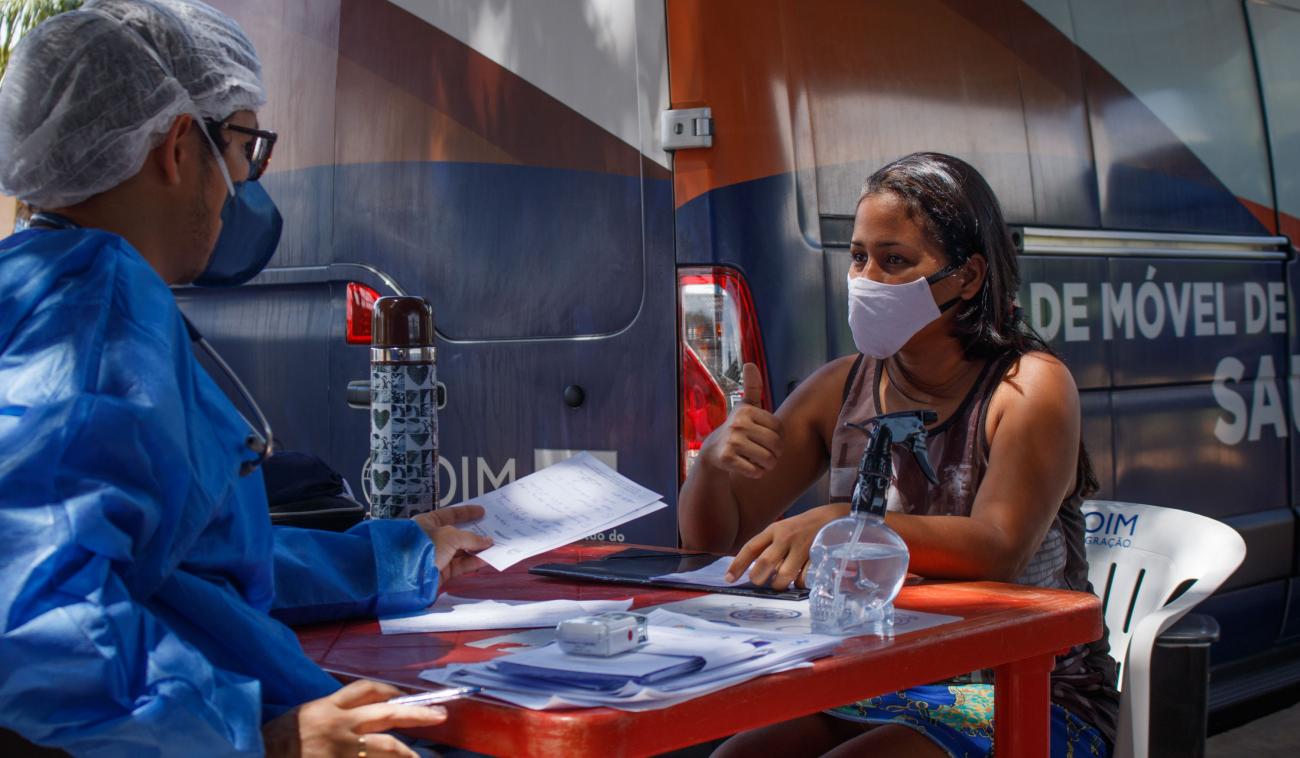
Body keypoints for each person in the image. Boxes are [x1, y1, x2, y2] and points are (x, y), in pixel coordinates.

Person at [0, 2, 491, 755]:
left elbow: (189, 564)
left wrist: (391, 553)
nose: (243, 188)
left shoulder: (39, 287)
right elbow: (34, 624)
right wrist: (263, 741)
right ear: (174, 148)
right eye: (242, 149)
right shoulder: (99, 311)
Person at [679, 152, 1119, 757]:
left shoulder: (1029, 387)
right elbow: (713, 540)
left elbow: (999, 548)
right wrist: (713, 464)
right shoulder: (841, 386)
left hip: (1032, 690)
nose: (866, 278)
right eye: (859, 257)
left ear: (967, 277)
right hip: (881, 680)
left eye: (895, 262)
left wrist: (847, 525)